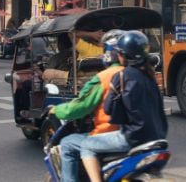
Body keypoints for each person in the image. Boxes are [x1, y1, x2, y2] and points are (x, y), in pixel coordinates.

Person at [80, 31, 167, 182]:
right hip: (158, 137)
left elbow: (108, 109)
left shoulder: (121, 75)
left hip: (133, 137)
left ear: (123, 55)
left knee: (86, 145)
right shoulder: (151, 76)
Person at [52, 29, 126, 182]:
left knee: (68, 143)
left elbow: (81, 107)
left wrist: (57, 110)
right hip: (146, 135)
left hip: (115, 134)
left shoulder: (104, 77)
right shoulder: (144, 74)